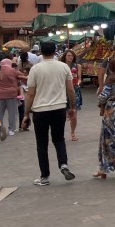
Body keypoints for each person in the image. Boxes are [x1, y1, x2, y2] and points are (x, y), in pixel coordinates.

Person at [20, 42, 76, 185]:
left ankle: (44, 177)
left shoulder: (36, 69)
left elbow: (31, 94)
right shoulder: (63, 67)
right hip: (59, 108)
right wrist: (72, 107)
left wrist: (26, 114)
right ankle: (63, 164)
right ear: (55, 51)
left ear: (41, 53)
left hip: (40, 111)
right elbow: (70, 90)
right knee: (59, 139)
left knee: (42, 144)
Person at [61, 49, 82, 141]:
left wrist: (78, 82)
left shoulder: (77, 66)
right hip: (62, 90)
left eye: (72, 56)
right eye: (68, 55)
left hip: (75, 90)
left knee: (74, 113)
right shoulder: (61, 66)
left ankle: (73, 132)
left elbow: (79, 78)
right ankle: (60, 132)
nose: (70, 57)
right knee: (61, 113)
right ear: (64, 57)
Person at [0, 58, 21, 136]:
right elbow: (22, 76)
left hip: (0, 94)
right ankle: (11, 129)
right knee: (12, 113)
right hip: (11, 94)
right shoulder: (13, 70)